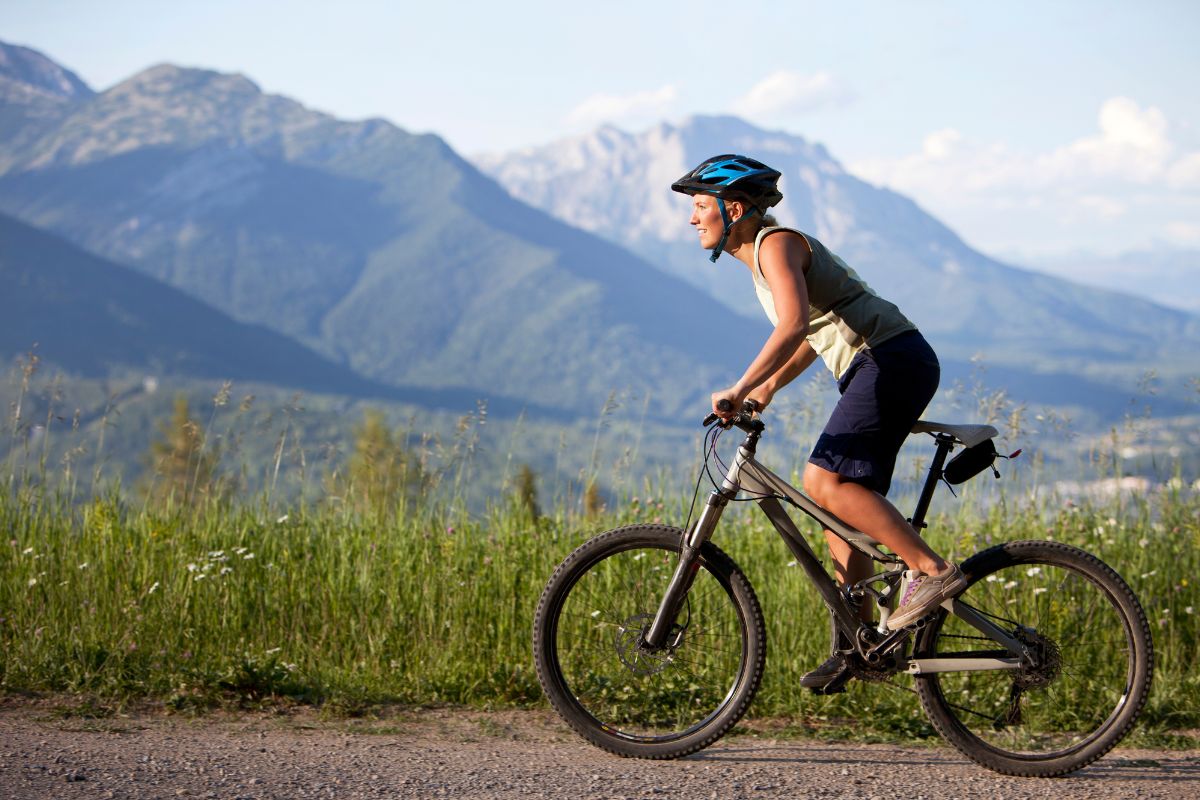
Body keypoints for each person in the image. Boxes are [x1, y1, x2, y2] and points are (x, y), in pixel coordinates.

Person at [671, 154, 966, 691]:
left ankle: (931, 572)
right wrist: (766, 389)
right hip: (882, 363)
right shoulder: (765, 257)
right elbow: (811, 333)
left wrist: (738, 386)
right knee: (839, 518)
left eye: (698, 206)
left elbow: (789, 327)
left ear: (732, 207)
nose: (693, 219)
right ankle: (859, 647)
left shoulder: (775, 245)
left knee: (821, 480)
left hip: (889, 358)